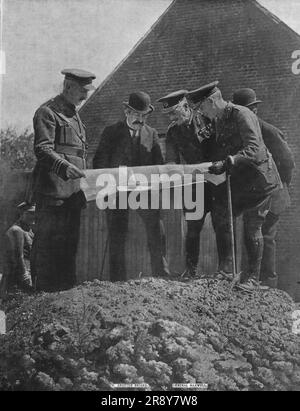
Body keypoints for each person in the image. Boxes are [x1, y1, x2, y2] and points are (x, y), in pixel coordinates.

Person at [186, 81, 281, 291]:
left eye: (202, 107)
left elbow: (255, 149)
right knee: (221, 215)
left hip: (260, 181)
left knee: (252, 227)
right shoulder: (219, 119)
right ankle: (226, 271)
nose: (201, 113)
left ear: (212, 101)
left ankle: (253, 279)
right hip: (242, 182)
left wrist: (229, 161)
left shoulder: (241, 114)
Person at [93, 91, 170, 281]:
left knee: (156, 228)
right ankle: (117, 280)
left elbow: (158, 164)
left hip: (143, 191)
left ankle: (161, 275)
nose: (140, 119)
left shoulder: (151, 133)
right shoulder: (111, 132)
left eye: (144, 115)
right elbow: (99, 162)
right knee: (117, 233)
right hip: (117, 191)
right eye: (136, 114)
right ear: (126, 111)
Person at [31, 69, 96, 292]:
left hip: (73, 194)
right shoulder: (47, 112)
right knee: (48, 249)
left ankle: (65, 296)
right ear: (68, 86)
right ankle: (44, 297)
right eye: (82, 91)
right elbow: (42, 149)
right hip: (53, 193)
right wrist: (64, 167)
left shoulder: (74, 114)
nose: (85, 97)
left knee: (69, 249)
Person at [232, 88, 295, 288]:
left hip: (274, 192)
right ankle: (253, 279)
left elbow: (288, 161)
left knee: (266, 236)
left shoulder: (268, 131)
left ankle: (267, 283)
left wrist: (280, 185)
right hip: (257, 193)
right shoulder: (244, 131)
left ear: (253, 111)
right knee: (253, 234)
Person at [157, 89, 213, 278]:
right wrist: (171, 168)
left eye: (174, 112)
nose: (171, 117)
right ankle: (192, 270)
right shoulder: (173, 131)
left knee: (222, 226)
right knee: (192, 229)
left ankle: (226, 271)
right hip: (193, 185)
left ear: (186, 106)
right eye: (169, 114)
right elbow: (171, 159)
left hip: (216, 182)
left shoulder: (206, 119)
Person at [0, 202, 35, 299]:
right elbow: (18, 256)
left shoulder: (29, 231)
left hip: (27, 274)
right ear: (21, 214)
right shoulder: (17, 230)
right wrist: (25, 276)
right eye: (30, 213)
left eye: (35, 213)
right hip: (17, 279)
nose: (33, 216)